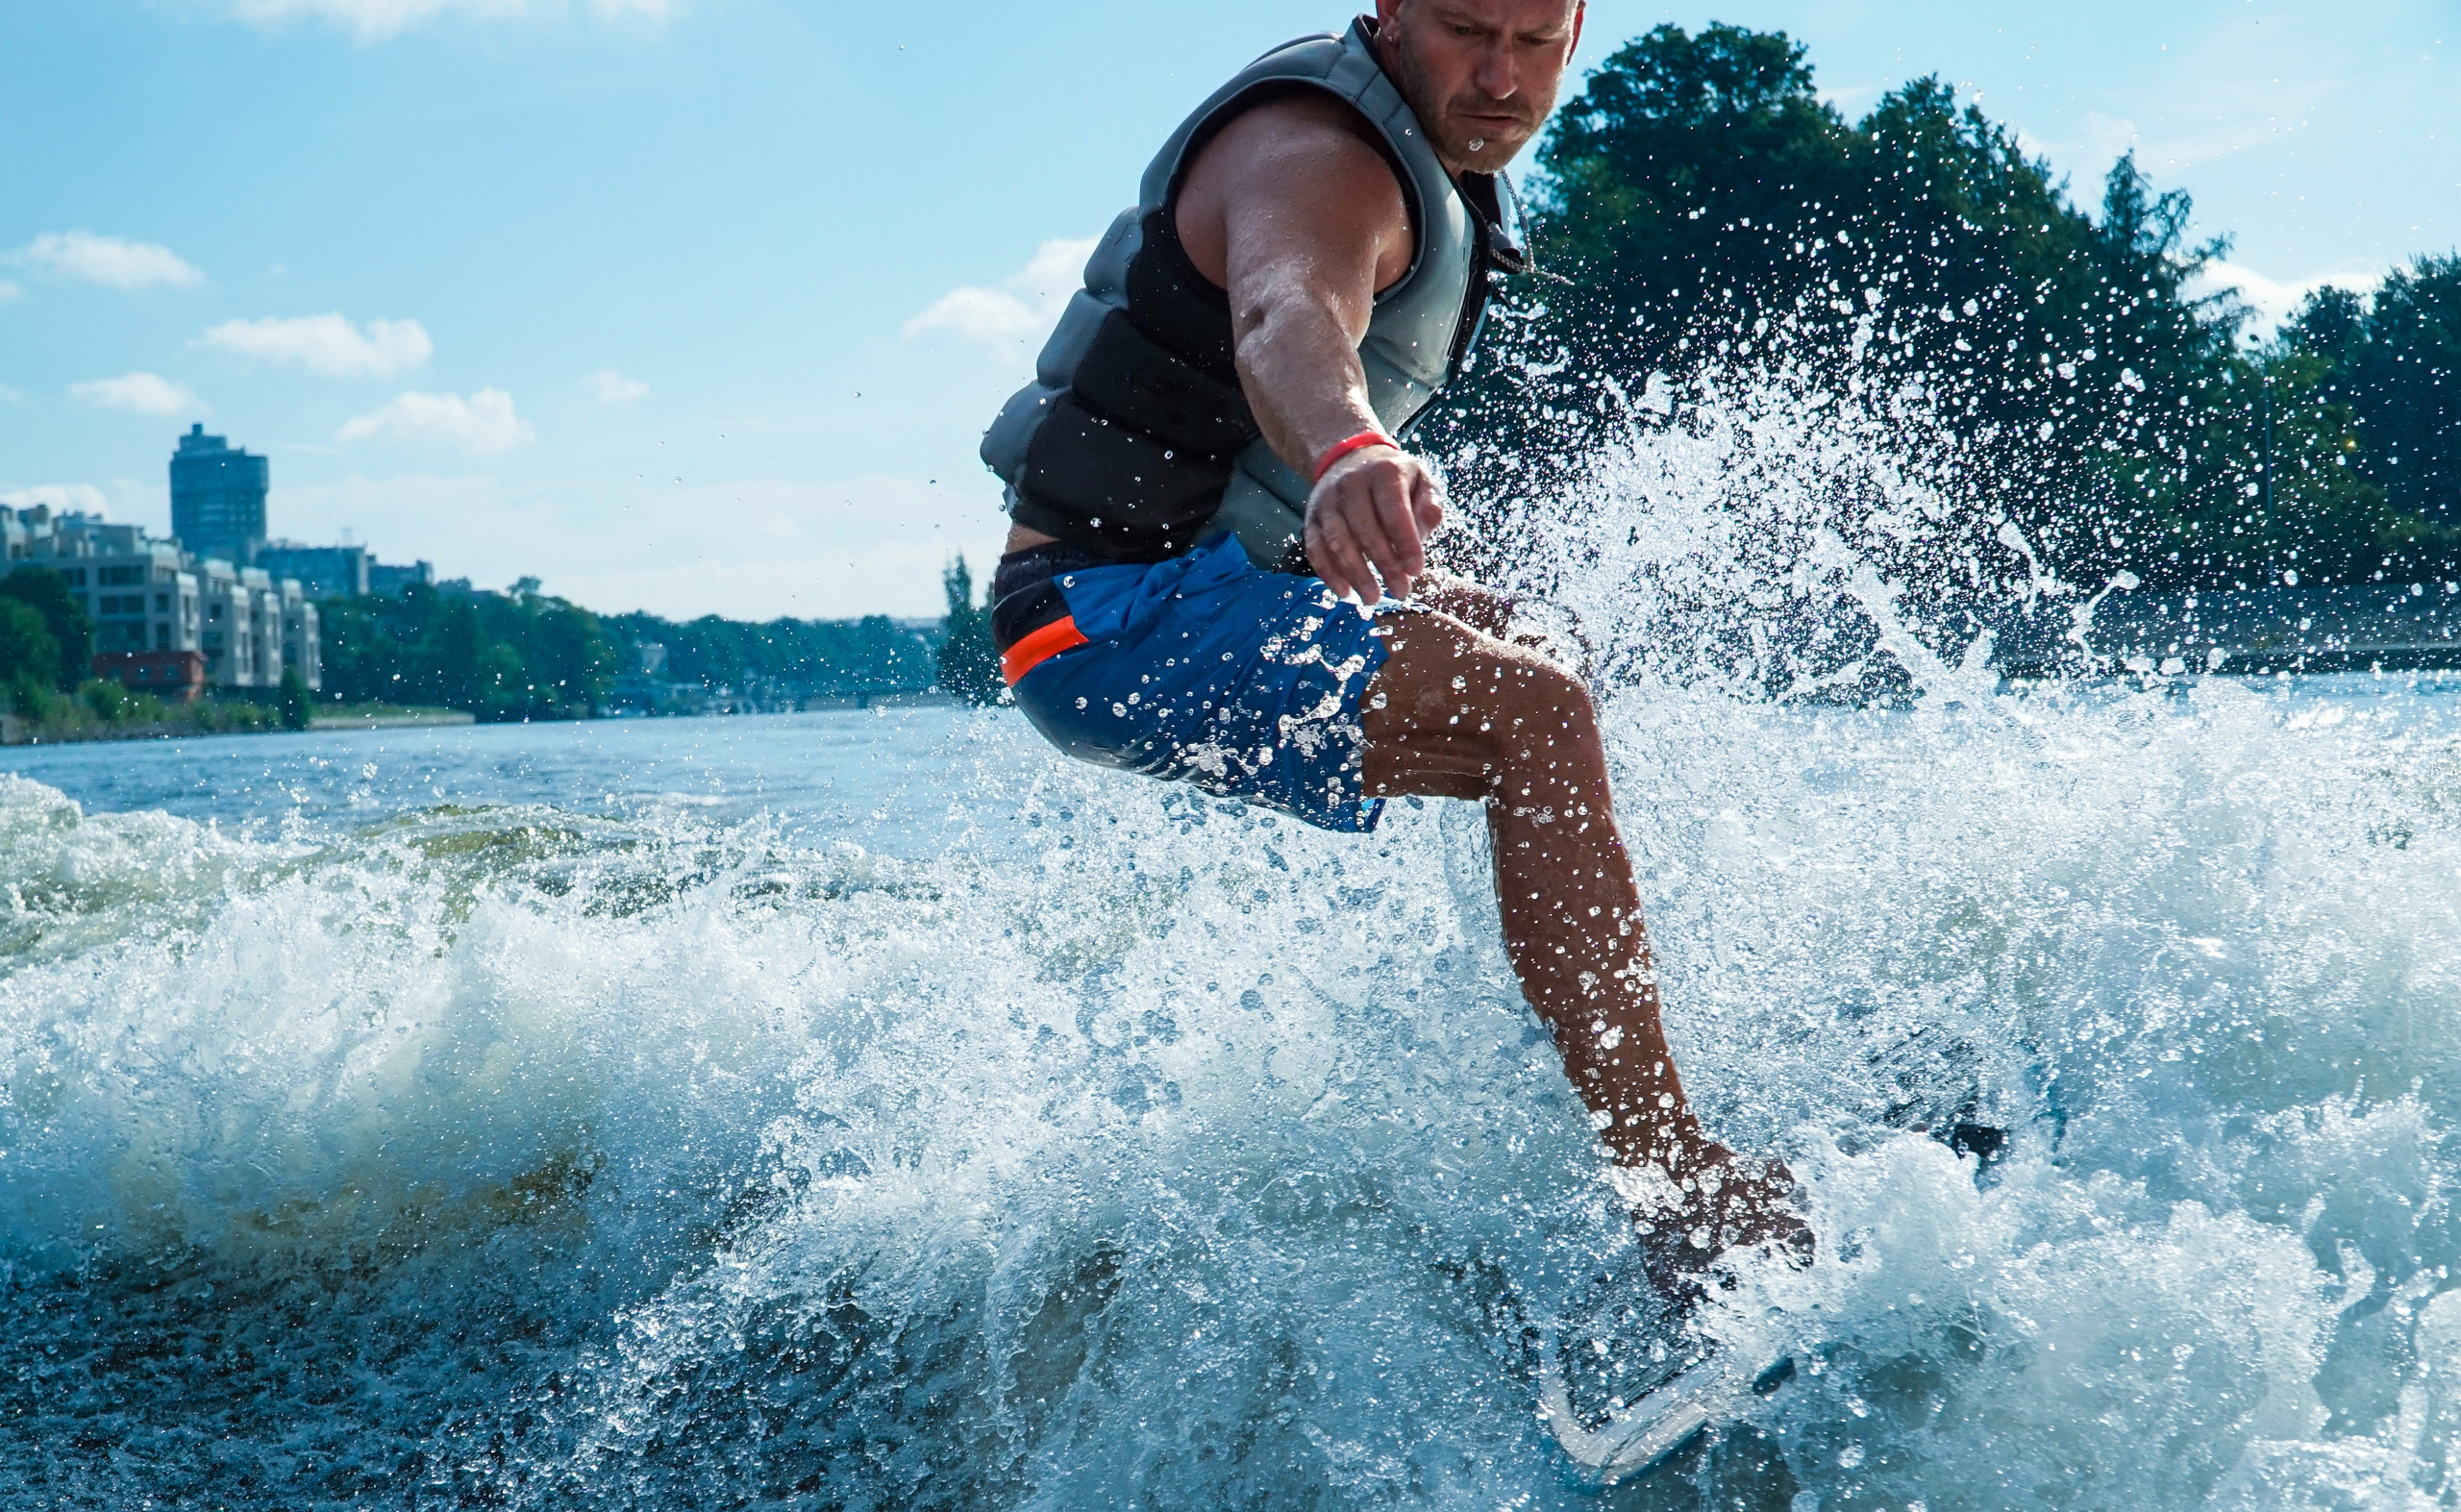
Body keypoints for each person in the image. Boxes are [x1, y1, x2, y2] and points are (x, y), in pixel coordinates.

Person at [981, 0, 1807, 1279]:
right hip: (1109, 618)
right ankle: (1675, 1193)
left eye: (1536, 41)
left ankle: (1583, 1105)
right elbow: (1284, 315)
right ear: (1389, 15)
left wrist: (1418, 558)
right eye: (1468, 30)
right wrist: (1352, 446)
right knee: (1534, 718)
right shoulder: (1320, 152)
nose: (1500, 76)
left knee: (1541, 648)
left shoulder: (1438, 165)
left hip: (1197, 588)